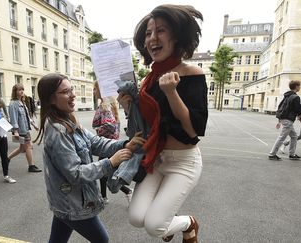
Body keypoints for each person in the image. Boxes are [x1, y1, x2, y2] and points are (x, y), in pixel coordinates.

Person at [118, 5, 208, 242]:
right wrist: (128, 105)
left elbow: (193, 130)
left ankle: (189, 223)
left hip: (184, 163)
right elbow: (147, 122)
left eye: (161, 31)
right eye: (148, 33)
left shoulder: (191, 72)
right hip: (157, 158)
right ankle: (171, 222)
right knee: (136, 217)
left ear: (176, 35)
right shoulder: (149, 79)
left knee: (155, 226)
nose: (153, 38)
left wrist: (171, 92)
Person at [34, 73, 145, 243]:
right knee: (102, 240)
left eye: (71, 89)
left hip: (66, 202)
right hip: (73, 203)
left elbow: (95, 142)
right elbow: (75, 173)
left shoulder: (68, 118)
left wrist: (125, 145)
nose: (73, 95)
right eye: (65, 92)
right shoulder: (58, 130)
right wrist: (110, 162)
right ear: (51, 99)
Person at [92, 81, 133, 204]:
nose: (94, 92)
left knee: (106, 172)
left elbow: (109, 125)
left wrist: (98, 130)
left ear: (101, 90)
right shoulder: (109, 104)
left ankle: (126, 192)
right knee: (106, 172)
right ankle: (105, 197)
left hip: (107, 144)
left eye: (95, 89)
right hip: (111, 143)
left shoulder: (105, 106)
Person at [269, 80, 301, 160]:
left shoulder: (287, 96)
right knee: (282, 137)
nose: (300, 87)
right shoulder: (295, 97)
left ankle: (292, 154)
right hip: (288, 120)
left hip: (285, 119)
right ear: (296, 87)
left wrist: (279, 120)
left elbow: (281, 108)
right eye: (299, 86)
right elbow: (298, 111)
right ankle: (272, 154)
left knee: (294, 136)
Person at [8, 83, 42, 173]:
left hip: (25, 128)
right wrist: (15, 131)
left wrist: (34, 125)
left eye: (22, 89)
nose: (22, 91)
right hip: (20, 130)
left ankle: (6, 159)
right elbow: (13, 118)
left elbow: (27, 116)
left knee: (22, 148)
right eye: (19, 90)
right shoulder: (13, 104)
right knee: (29, 146)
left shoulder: (22, 102)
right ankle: (31, 166)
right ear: (15, 92)